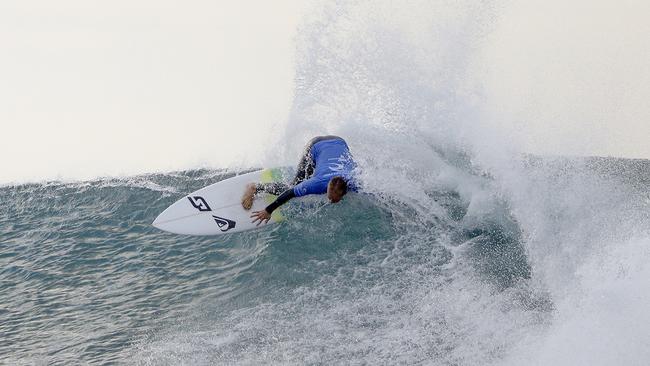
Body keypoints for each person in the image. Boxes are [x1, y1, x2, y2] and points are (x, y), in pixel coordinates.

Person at [242, 135, 359, 225]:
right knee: (295, 184)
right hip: (316, 144)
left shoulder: (355, 181)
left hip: (340, 142)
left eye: (333, 198)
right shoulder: (316, 183)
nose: (330, 200)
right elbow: (290, 193)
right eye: (330, 197)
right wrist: (268, 210)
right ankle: (255, 187)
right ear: (327, 186)